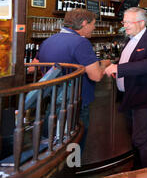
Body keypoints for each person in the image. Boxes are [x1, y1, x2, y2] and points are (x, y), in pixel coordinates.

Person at [33, 9, 109, 152]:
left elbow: (33, 67)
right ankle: (72, 171)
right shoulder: (81, 42)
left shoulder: (49, 40)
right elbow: (96, 76)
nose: (94, 27)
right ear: (84, 23)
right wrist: (105, 63)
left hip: (53, 100)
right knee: (73, 146)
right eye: (93, 24)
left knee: (53, 147)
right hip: (75, 104)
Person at [104, 7, 147, 168]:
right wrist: (116, 65)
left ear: (142, 23)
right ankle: (138, 168)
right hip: (128, 95)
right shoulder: (131, 38)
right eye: (124, 22)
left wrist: (119, 69)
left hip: (142, 95)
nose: (125, 26)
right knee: (134, 137)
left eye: (129, 22)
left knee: (141, 139)